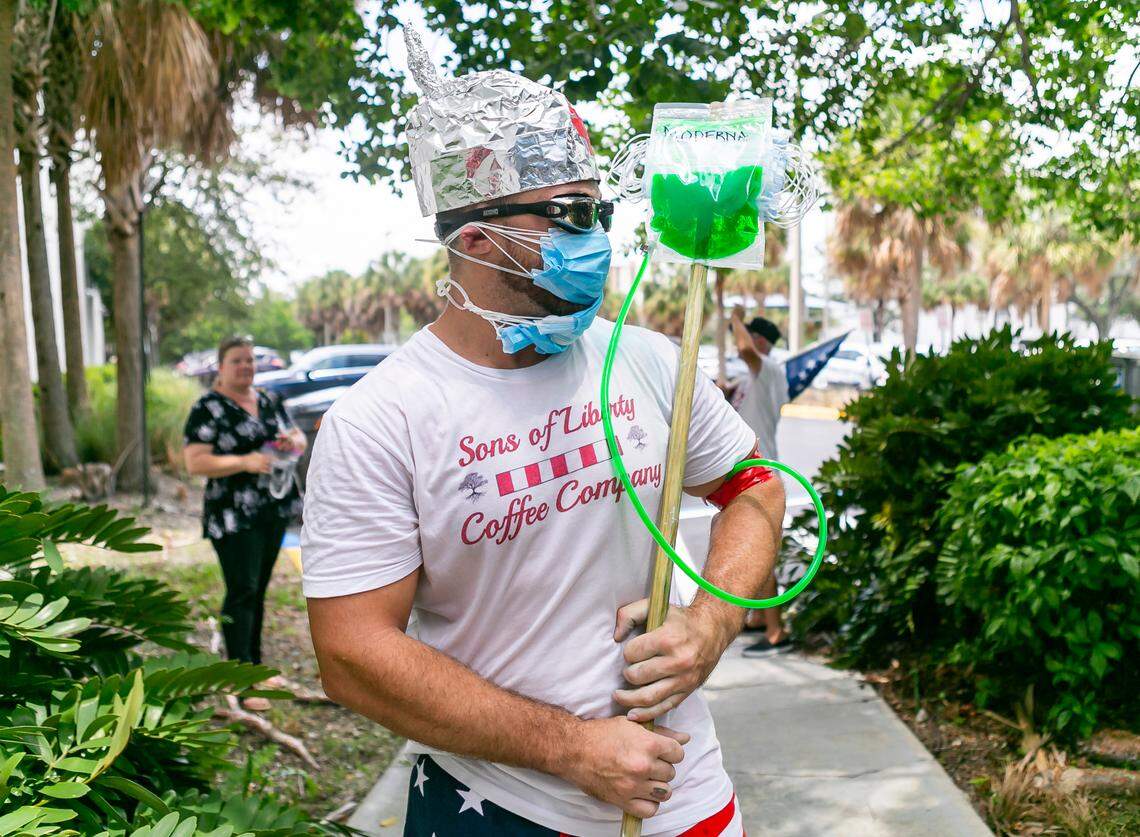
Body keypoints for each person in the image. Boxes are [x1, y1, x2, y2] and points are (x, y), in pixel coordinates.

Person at [301, 26, 785, 836]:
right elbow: (351, 652)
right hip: (498, 808)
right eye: (570, 214)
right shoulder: (380, 420)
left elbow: (755, 488)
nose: (597, 235)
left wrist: (711, 619)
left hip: (685, 798)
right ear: (480, 237)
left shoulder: (647, 358)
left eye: (600, 210)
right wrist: (569, 748)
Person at [183, 336, 306, 712]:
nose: (245, 367)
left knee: (258, 591)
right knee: (242, 590)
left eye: (250, 361)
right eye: (237, 360)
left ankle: (254, 668)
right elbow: (195, 462)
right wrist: (244, 461)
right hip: (233, 515)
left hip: (272, 508)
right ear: (220, 367)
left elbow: (297, 437)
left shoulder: (269, 400)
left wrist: (291, 442)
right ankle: (239, 681)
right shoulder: (208, 407)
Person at [729, 309, 792, 654]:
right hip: (746, 470)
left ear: (761, 341)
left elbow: (745, 350)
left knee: (761, 552)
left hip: (759, 472)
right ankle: (757, 620)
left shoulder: (768, 370)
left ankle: (775, 632)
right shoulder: (754, 378)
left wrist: (735, 317)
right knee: (754, 547)